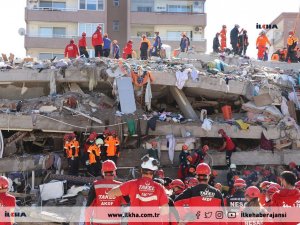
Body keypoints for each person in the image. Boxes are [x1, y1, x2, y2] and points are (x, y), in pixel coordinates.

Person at [108, 155, 169, 224]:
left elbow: (112, 193)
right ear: (154, 172)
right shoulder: (159, 187)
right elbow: (165, 210)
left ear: (141, 170)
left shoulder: (132, 184)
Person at [86, 160, 126, 225]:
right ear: (114, 172)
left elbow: (88, 208)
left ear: (102, 172)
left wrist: (88, 223)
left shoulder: (95, 185)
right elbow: (127, 201)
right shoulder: (120, 186)